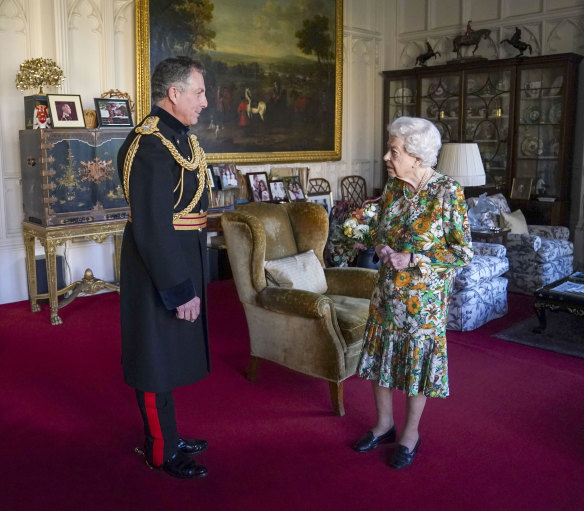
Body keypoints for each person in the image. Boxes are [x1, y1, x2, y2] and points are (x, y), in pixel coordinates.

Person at [352, 117, 473, 469]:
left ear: (417, 156)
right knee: (381, 361)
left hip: (424, 302)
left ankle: (410, 434)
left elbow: (463, 252)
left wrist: (415, 257)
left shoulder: (447, 191)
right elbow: (380, 231)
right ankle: (383, 424)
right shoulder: (393, 189)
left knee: (415, 368)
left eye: (394, 150)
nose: (387, 157)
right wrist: (382, 247)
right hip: (387, 295)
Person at [117, 56, 211, 479]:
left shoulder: (179, 138)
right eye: (199, 92)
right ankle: (160, 451)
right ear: (174, 94)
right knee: (154, 357)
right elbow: (153, 227)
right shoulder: (150, 143)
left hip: (181, 252)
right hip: (158, 262)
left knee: (167, 354)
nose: (205, 102)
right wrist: (179, 287)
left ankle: (168, 434)